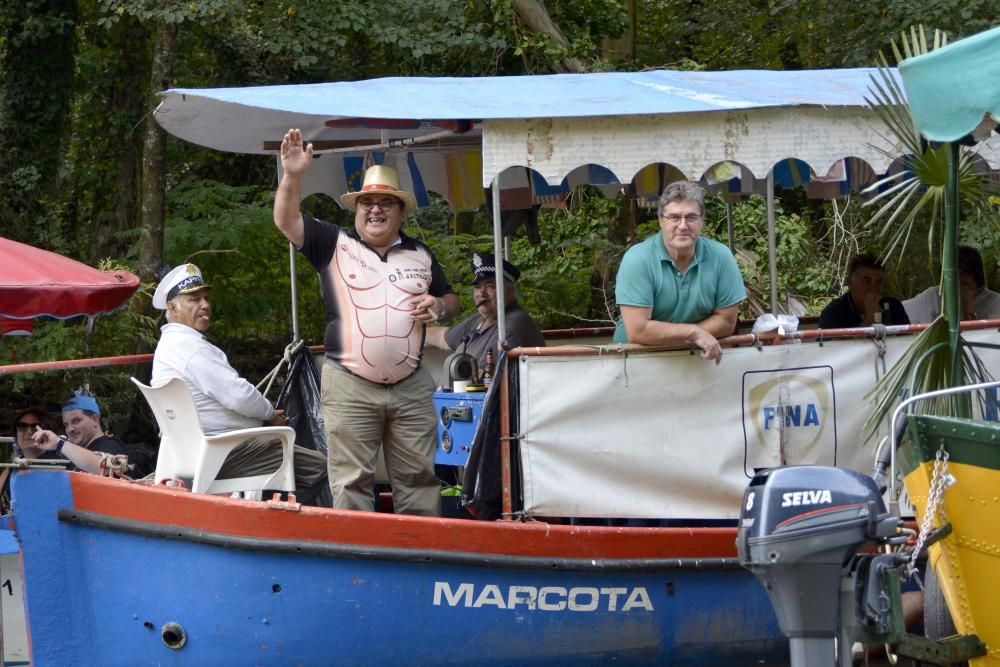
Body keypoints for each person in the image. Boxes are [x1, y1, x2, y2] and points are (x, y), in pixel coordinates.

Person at [274, 129, 460, 516]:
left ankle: (420, 560)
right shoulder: (332, 242)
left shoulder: (421, 253)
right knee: (351, 482)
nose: (375, 209)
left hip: (411, 386)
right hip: (349, 384)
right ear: (355, 209)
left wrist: (439, 306)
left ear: (401, 211)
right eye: (367, 202)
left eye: (385, 203)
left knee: (420, 481)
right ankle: (357, 570)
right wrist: (292, 176)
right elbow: (286, 220)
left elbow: (451, 298)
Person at [150, 264, 328, 502]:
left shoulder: (169, 345)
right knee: (319, 467)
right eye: (194, 299)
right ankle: (267, 521)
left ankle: (258, 512)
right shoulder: (190, 347)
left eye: (206, 298)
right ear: (173, 307)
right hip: (224, 451)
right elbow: (238, 395)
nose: (205, 305)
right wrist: (269, 414)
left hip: (192, 450)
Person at [613, 180, 746, 364]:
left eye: (691, 217)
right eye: (674, 217)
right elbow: (638, 330)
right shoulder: (637, 259)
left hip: (696, 362)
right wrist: (694, 333)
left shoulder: (721, 257)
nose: (683, 226)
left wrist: (691, 337)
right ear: (661, 220)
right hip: (637, 364)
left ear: (701, 220)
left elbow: (726, 322)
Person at [424, 252, 545, 375]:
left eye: (490, 286)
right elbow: (440, 336)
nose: (481, 293)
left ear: (510, 291)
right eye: (477, 287)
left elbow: (483, 376)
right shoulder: (479, 320)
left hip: (485, 393)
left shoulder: (512, 324)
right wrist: (408, 336)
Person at [30, 393, 129, 474]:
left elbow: (105, 467)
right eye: (66, 424)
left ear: (95, 419)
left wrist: (59, 443)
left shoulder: (111, 445)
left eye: (76, 421)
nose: (70, 429)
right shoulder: (75, 455)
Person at [903, 245, 1000, 323]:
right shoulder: (933, 295)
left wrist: (968, 311)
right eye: (952, 275)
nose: (957, 281)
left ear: (977, 275)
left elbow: (986, 340)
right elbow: (898, 311)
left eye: (963, 275)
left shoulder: (995, 302)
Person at [819, 254, 910, 328]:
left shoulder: (893, 307)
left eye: (878, 282)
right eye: (866, 281)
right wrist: (868, 321)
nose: (873, 288)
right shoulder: (834, 312)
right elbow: (831, 348)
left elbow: (909, 340)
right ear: (850, 282)